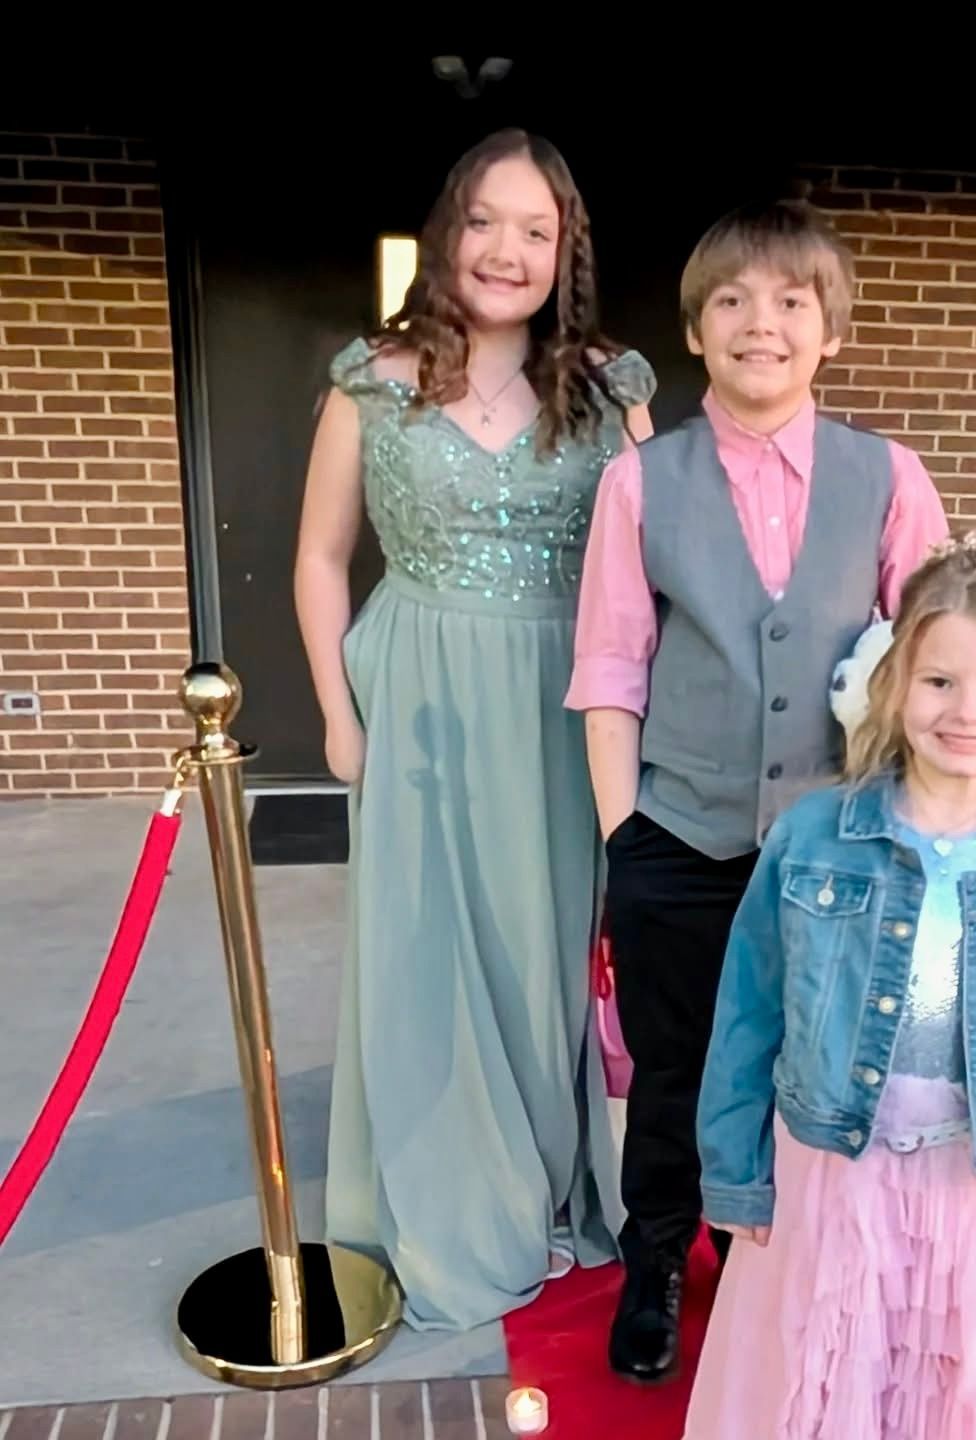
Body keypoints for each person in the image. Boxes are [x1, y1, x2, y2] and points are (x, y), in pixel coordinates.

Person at [565, 199, 950, 1381]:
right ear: (695, 329)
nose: (761, 323)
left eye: (791, 301)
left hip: (840, 844)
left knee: (813, 1063)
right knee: (676, 1073)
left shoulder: (888, 475)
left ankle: (769, 1265)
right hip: (679, 834)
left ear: (830, 329)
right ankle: (657, 1264)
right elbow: (611, 664)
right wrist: (625, 832)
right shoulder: (643, 483)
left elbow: (934, 654)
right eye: (731, 299)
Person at [295, 129, 655, 1331]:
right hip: (419, 700)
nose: (509, 250)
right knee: (429, 953)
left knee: (546, 951)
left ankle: (551, 1190)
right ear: (448, 231)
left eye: (538, 230)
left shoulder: (614, 388)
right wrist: (338, 721)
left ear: (567, 253)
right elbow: (318, 557)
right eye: (487, 221)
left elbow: (658, 565)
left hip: (566, 704)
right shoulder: (370, 382)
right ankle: (451, 1198)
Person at [686, 532, 976, 1439]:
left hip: (973, 1191)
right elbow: (747, 1013)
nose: (969, 712)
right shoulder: (812, 837)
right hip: (827, 1177)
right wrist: (736, 1175)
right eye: (941, 682)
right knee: (815, 1388)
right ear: (896, 685)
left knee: (940, 1402)